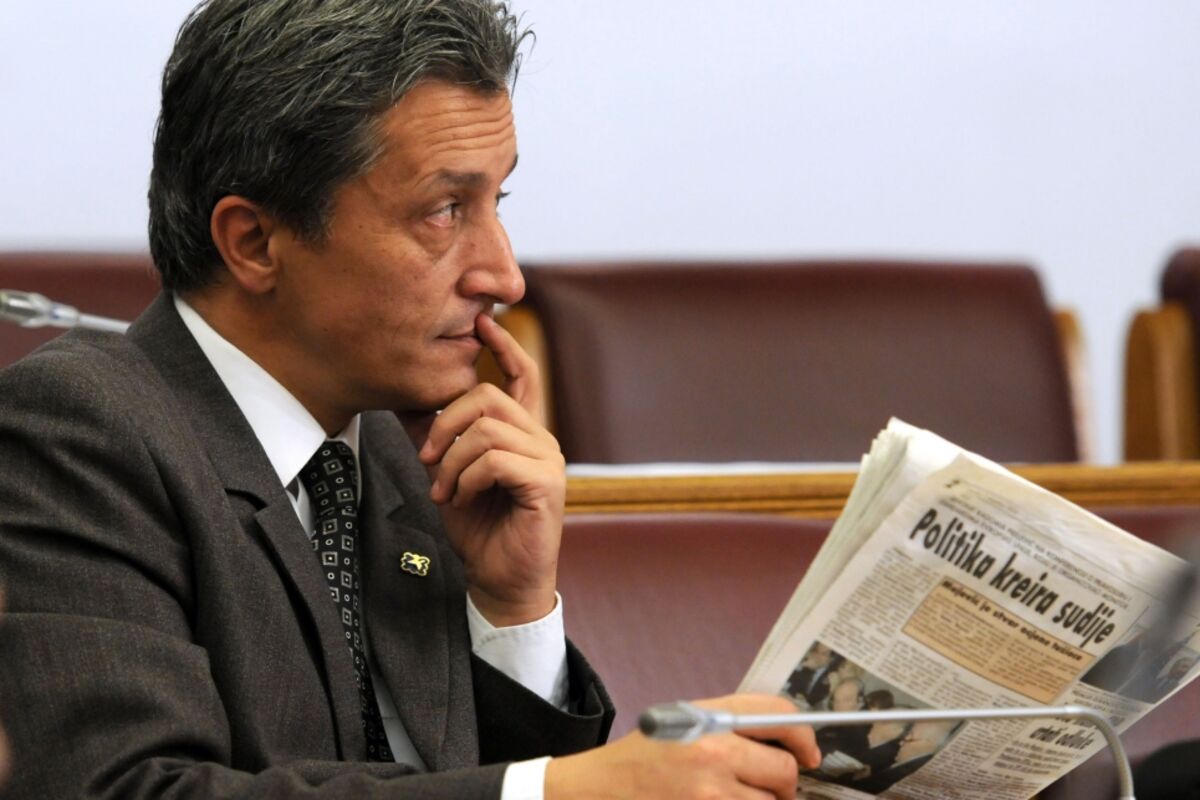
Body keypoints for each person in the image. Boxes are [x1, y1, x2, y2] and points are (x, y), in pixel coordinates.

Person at [0, 1, 819, 798]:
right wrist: (563, 792)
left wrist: (511, 608)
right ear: (254, 242)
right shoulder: (77, 429)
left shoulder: (399, 452)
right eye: (444, 210)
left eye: (497, 203)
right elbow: (123, 784)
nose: (505, 275)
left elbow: (471, 779)